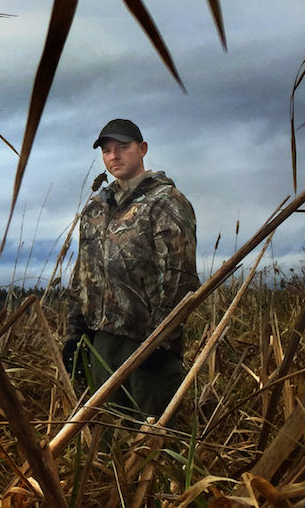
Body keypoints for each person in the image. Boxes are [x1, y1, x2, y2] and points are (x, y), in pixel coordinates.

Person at [62, 118, 199, 418]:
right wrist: (75, 336)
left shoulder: (166, 203)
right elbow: (82, 275)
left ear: (142, 149)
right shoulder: (96, 208)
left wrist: (160, 344)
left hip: (147, 348)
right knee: (109, 443)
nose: (114, 156)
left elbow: (181, 279)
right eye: (107, 150)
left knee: (153, 444)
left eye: (122, 147)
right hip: (102, 343)